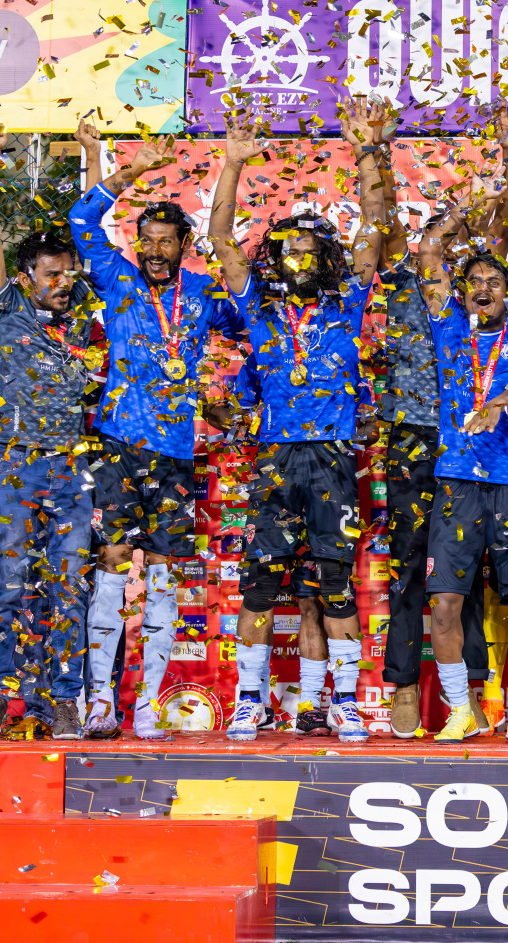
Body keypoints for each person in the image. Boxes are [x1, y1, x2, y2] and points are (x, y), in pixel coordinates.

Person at [208, 100, 386, 742]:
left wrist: (367, 149)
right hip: (276, 458)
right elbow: (222, 243)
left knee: (336, 587)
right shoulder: (257, 311)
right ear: (276, 260)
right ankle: (250, 700)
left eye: (312, 254)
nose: (300, 263)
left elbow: (373, 227)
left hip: (335, 457)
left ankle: (341, 701)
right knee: (260, 586)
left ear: (328, 261)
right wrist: (231, 164)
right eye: (289, 254)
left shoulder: (349, 300)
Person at [69, 137, 245, 741]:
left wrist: (232, 395)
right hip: (118, 444)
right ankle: (99, 702)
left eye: (166, 241)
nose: (154, 250)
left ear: (185, 247)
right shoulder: (116, 280)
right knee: (114, 566)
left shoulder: (202, 294)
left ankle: (147, 704)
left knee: (166, 576)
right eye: (146, 240)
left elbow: (258, 325)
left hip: (175, 452)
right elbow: (80, 219)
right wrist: (131, 171)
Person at [0, 127, 97, 741]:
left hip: (72, 468)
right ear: (25, 276)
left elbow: (93, 226)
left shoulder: (88, 315)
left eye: (67, 274)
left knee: (68, 587)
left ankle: (62, 701)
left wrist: (94, 154)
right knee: (12, 581)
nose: (61, 283)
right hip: (17, 462)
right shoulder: (8, 308)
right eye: (50, 274)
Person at [371, 140, 495, 741]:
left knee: (464, 568)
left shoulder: (480, 285)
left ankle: (467, 689)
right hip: (411, 436)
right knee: (408, 567)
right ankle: (401, 686)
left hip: (465, 438)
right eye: (435, 232)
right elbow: (401, 230)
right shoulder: (398, 274)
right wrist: (371, 148)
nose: (437, 245)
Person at [418, 194, 508, 744]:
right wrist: (454, 221)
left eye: (495, 280)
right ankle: (461, 709)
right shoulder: (447, 325)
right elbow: (428, 256)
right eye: (476, 281)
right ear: (463, 288)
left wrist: (498, 403)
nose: (484, 289)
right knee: (444, 602)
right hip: (456, 482)